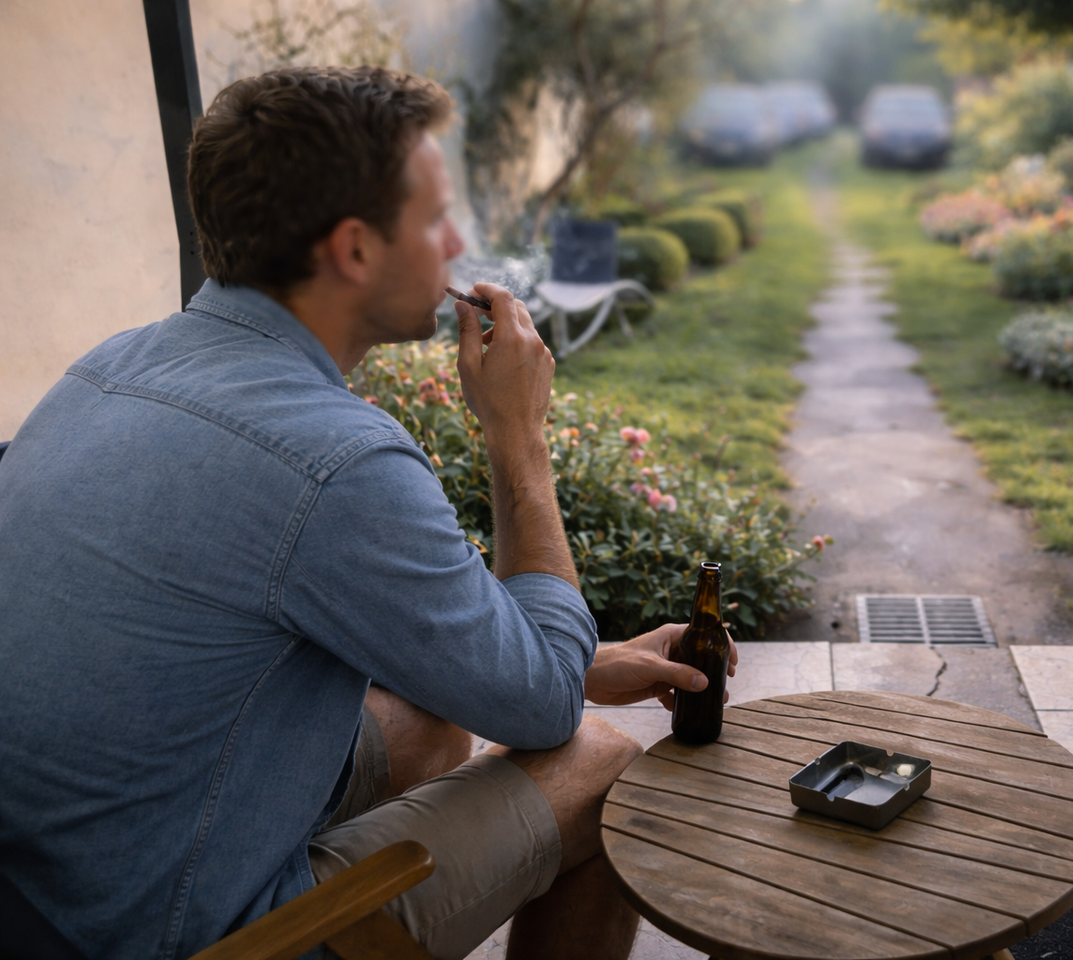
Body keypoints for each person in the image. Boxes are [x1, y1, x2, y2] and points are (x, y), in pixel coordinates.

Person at [0, 66, 735, 960]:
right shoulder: (335, 461)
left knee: (431, 723)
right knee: (603, 766)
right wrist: (518, 438)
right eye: (433, 219)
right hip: (169, 934)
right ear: (354, 250)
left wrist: (585, 660)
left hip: (42, 893)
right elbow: (541, 710)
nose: (458, 240)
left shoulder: (107, 366)